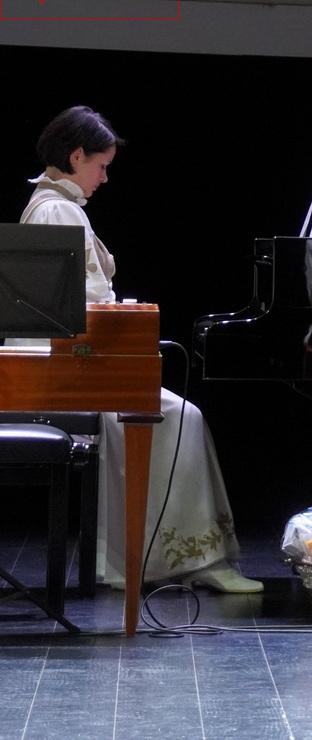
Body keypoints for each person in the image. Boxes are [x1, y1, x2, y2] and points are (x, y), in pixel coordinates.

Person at [19, 106, 262, 594]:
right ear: (76, 156)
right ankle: (186, 560)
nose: (104, 178)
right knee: (181, 417)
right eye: (101, 166)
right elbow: (76, 307)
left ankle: (174, 557)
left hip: (65, 362)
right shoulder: (56, 209)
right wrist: (123, 315)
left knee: (179, 414)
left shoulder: (51, 205)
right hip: (63, 371)